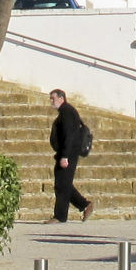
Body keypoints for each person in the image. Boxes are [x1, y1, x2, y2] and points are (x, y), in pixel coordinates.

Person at [48, 89, 94, 223]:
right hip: (65, 152)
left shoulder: (67, 112)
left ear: (61, 98)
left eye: (53, 98)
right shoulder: (65, 111)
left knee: (63, 184)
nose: (51, 101)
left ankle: (60, 216)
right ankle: (85, 205)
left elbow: (69, 135)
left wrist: (65, 156)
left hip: (68, 153)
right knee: (63, 184)